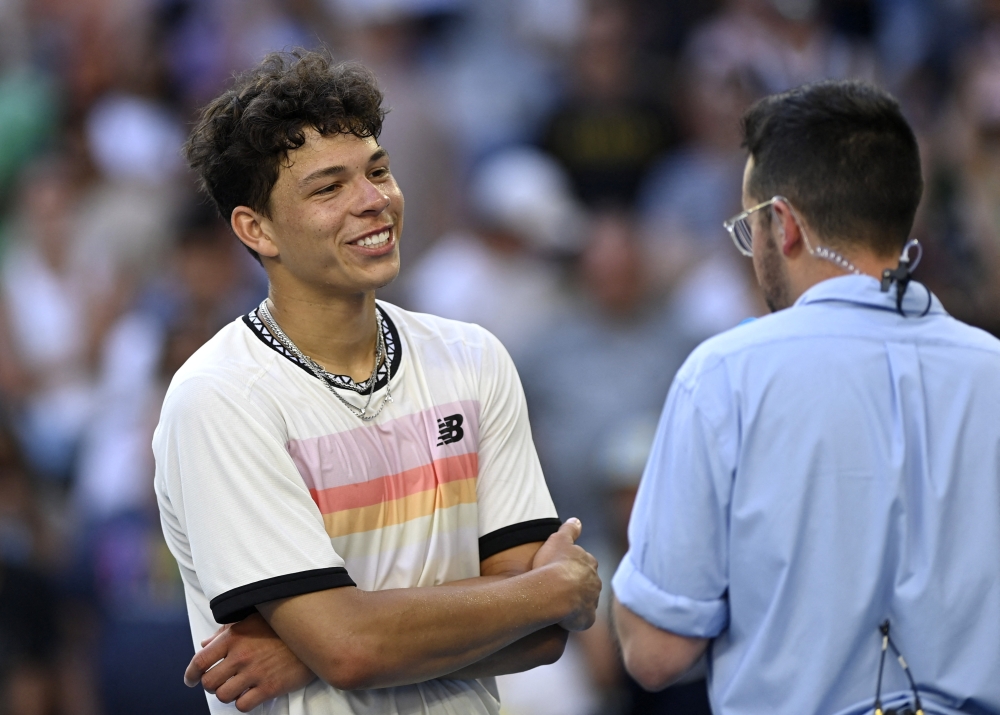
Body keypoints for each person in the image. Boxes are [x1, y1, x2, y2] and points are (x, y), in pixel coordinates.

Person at [153, 50, 601, 714]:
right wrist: (545, 589)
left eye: (378, 171)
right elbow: (352, 650)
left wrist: (310, 643)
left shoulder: (473, 357)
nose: (373, 201)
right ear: (256, 228)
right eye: (328, 187)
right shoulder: (218, 397)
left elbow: (538, 638)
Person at [611, 79, 1000, 715]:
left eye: (749, 224)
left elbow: (656, 653)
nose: (753, 245)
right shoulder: (993, 368)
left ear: (784, 224)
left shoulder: (725, 376)